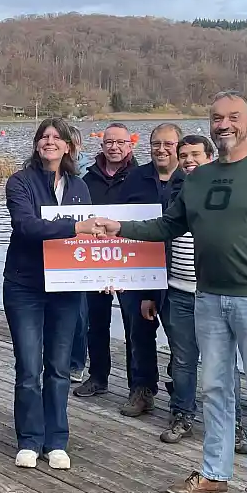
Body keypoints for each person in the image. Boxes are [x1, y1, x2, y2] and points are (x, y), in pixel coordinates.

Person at [90, 92, 247, 493]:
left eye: (232, 117)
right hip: (207, 299)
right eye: (216, 118)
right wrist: (119, 227)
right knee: (215, 390)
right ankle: (214, 473)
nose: (223, 124)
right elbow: (168, 225)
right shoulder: (197, 179)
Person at [3, 118, 95, 470]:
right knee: (28, 367)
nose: (50, 142)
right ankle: (29, 438)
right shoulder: (19, 182)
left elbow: (89, 241)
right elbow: (26, 226)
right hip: (25, 286)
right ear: (37, 144)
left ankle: (57, 440)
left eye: (57, 137)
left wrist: (103, 274)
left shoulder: (80, 188)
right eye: (44, 137)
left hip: (66, 289)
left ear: (69, 147)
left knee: (58, 368)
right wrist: (74, 227)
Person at [148, 133, 214, 444]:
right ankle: (182, 414)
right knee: (183, 359)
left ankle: (232, 422)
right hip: (176, 290)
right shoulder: (173, 192)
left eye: (195, 155)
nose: (189, 161)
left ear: (209, 157)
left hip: (214, 293)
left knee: (221, 362)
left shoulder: (221, 190)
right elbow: (157, 234)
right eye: (184, 155)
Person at [116, 122, 183, 418]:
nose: (161, 149)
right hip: (138, 268)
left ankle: (180, 394)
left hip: (178, 272)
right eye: (156, 143)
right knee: (138, 333)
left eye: (168, 144)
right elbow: (118, 222)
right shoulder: (134, 178)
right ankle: (142, 389)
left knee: (180, 337)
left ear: (179, 147)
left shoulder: (191, 178)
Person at [73, 122, 136, 399]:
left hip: (132, 262)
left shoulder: (141, 177)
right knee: (95, 323)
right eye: (109, 142)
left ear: (130, 145)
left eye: (120, 142)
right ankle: (98, 377)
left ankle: (139, 385)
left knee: (136, 325)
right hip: (95, 260)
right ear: (102, 146)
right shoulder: (87, 179)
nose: (114, 147)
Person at [67, 125, 90, 382]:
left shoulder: (88, 176)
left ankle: (76, 363)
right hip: (56, 250)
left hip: (83, 252)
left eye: (73, 145)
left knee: (80, 314)